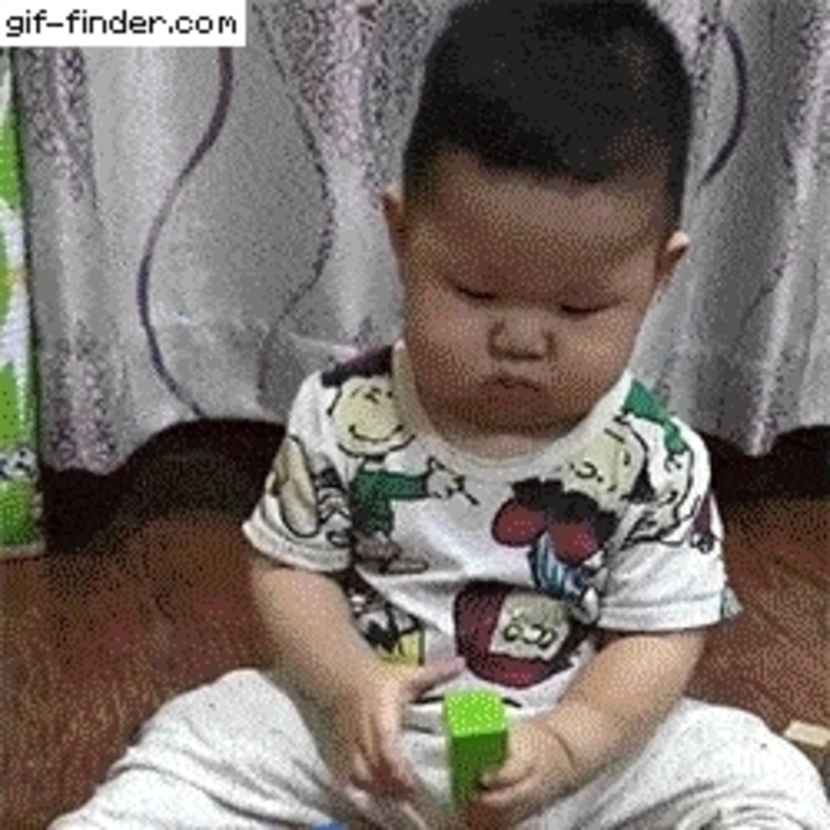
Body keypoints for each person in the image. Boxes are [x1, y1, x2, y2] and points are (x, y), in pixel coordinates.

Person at [52, 1, 830, 828]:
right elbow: (289, 572)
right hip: (365, 739)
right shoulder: (343, 413)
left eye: (578, 308)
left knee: (759, 775)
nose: (521, 339)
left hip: (566, 753)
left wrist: (570, 744)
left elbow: (659, 636)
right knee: (195, 736)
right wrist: (349, 683)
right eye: (476, 292)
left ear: (659, 275)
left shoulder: (657, 458)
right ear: (402, 234)